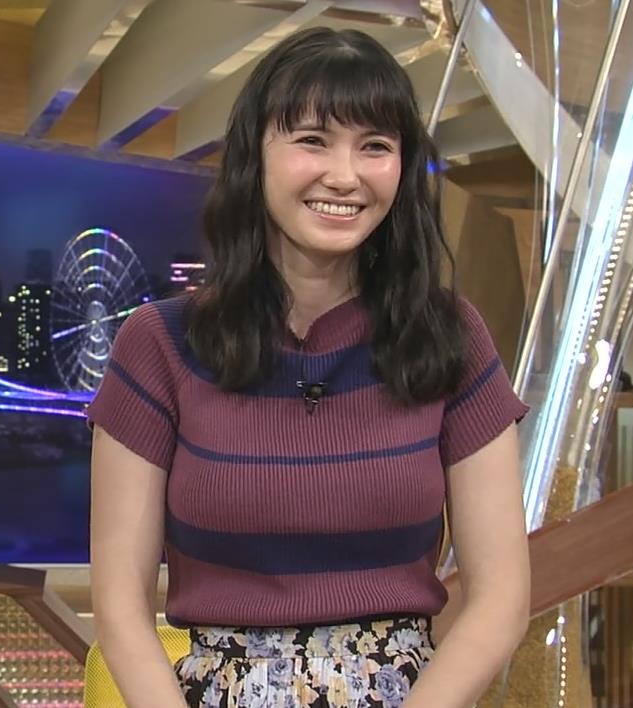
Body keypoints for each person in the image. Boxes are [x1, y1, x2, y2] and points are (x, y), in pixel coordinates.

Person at [88, 26, 530, 708]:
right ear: (254, 155)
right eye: (312, 140)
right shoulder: (160, 344)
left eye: (374, 146)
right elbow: (120, 609)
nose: (345, 176)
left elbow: (500, 598)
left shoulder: (448, 336)